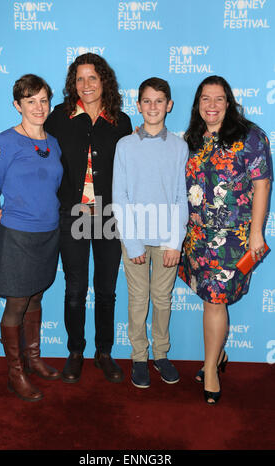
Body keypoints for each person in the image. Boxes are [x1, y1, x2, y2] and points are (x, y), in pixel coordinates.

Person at [0, 53, 132, 384]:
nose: (86, 84)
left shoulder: (120, 121)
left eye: (93, 77)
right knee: (76, 288)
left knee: (106, 289)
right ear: (72, 84)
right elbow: (27, 133)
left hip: (108, 215)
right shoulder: (58, 118)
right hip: (72, 215)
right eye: (79, 79)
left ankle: (104, 353)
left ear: (104, 80)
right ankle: (76, 352)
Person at [178, 75, 272, 404]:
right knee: (210, 300)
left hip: (234, 237)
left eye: (218, 99)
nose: (212, 105)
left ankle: (211, 368)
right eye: (206, 99)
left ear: (228, 103)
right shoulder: (192, 139)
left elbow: (262, 185)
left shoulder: (250, 137)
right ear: (198, 104)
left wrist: (257, 232)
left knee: (216, 300)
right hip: (198, 237)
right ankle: (217, 356)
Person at [0, 74, 63, 402]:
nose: (38, 107)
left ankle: (32, 359)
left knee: (36, 297)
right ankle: (15, 373)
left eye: (43, 99)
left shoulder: (53, 143)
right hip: (17, 234)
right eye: (30, 101)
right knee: (16, 302)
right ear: (18, 105)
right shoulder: (3, 142)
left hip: (48, 232)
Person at [112, 77, 189, 388]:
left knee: (161, 298)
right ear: (139, 105)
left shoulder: (179, 146)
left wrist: (174, 242)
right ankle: (139, 357)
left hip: (167, 239)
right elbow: (120, 196)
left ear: (169, 105)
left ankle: (160, 353)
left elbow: (181, 196)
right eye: (147, 101)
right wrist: (131, 243)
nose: (153, 106)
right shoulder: (126, 145)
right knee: (138, 298)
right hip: (135, 239)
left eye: (160, 101)